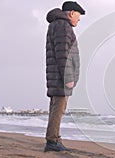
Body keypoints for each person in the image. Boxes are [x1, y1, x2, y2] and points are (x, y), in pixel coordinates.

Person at [44, 1, 85, 152]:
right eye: (78, 16)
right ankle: (52, 142)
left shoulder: (57, 25)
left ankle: (54, 139)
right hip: (60, 78)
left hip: (55, 76)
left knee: (56, 108)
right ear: (71, 13)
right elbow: (63, 54)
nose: (78, 20)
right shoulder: (63, 26)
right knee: (58, 109)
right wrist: (68, 78)